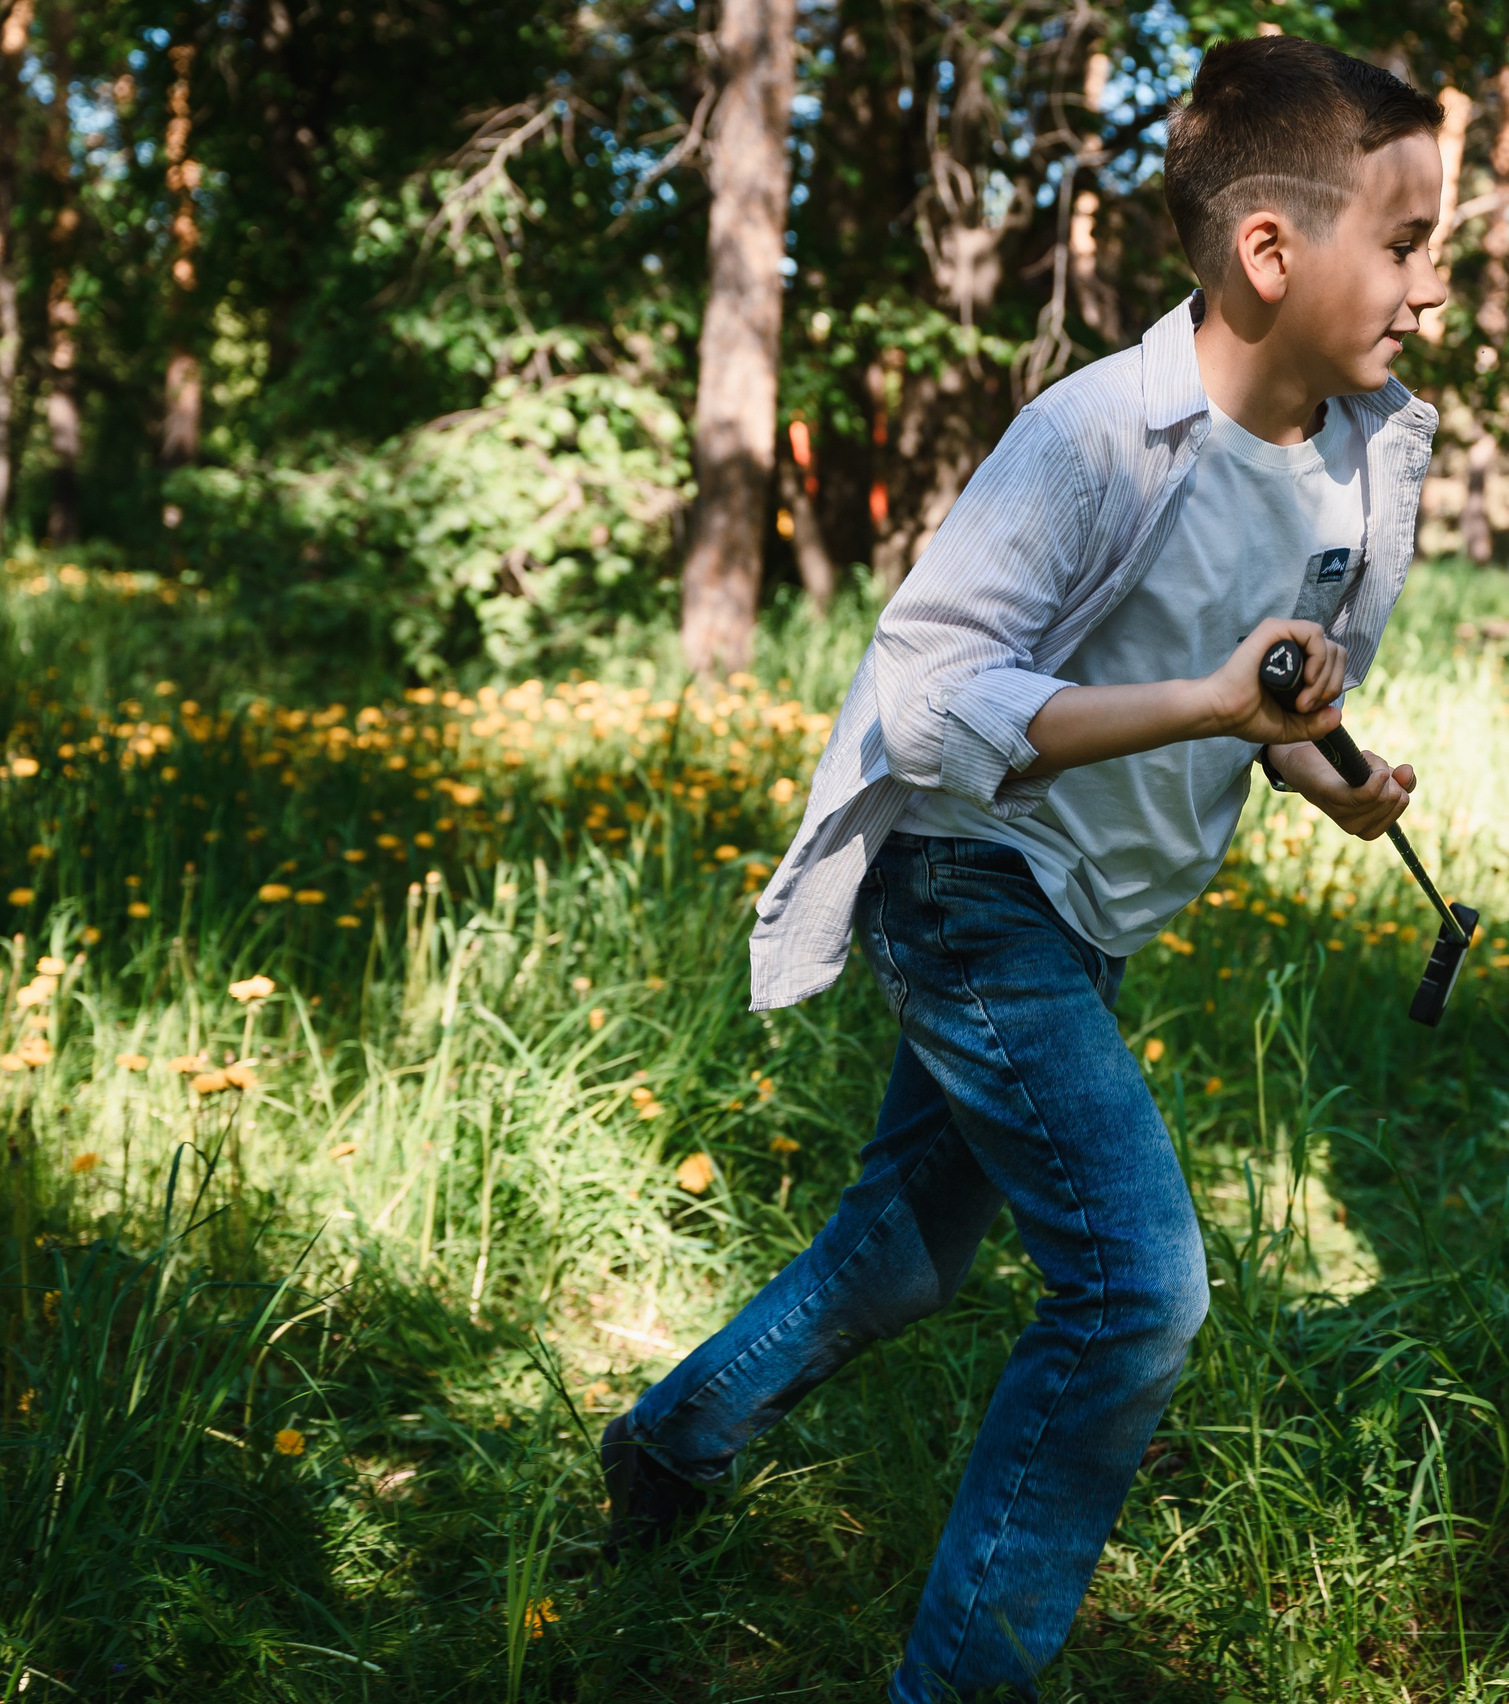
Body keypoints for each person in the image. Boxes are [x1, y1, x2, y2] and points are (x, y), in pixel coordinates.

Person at [603, 35, 1447, 1703]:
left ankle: (666, 1450)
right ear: (1272, 253)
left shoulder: (1365, 462)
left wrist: (1313, 768)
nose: (1431, 293)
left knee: (905, 1253)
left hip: (1087, 914)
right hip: (971, 885)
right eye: (1406, 246)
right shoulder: (1097, 441)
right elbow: (931, 700)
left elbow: (1269, 699)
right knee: (1137, 1292)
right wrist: (1212, 699)